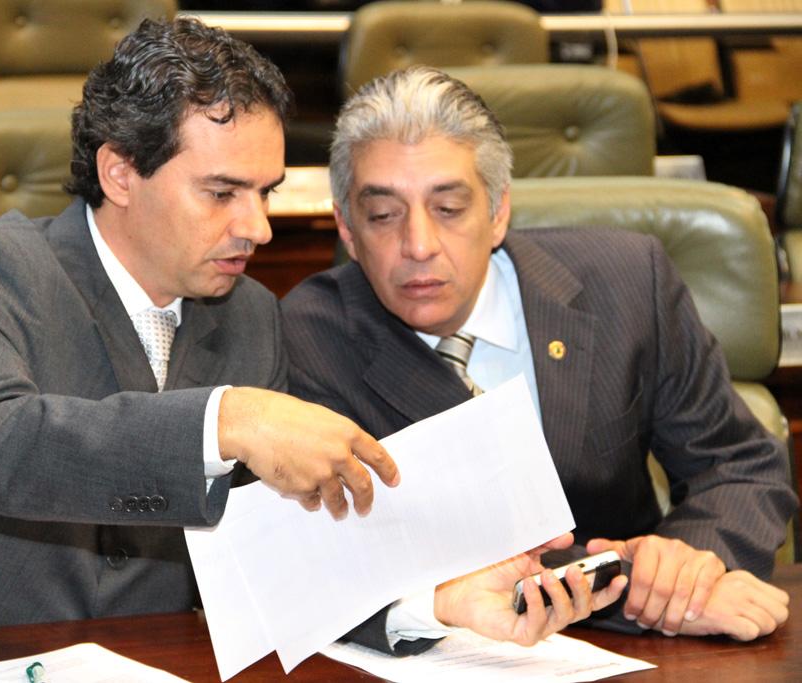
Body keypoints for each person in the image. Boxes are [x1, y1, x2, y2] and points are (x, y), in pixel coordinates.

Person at [0, 21, 612, 650]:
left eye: (265, 191)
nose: (257, 226)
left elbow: (267, 555)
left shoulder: (248, 318)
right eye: (222, 193)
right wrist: (226, 421)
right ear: (120, 172)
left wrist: (432, 604)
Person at [281, 65, 798, 652]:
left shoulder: (628, 284)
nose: (418, 245)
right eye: (383, 215)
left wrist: (685, 571)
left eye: (449, 208)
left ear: (498, 211)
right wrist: (631, 582)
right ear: (347, 229)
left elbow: (738, 463)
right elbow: (347, 556)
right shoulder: (312, 335)